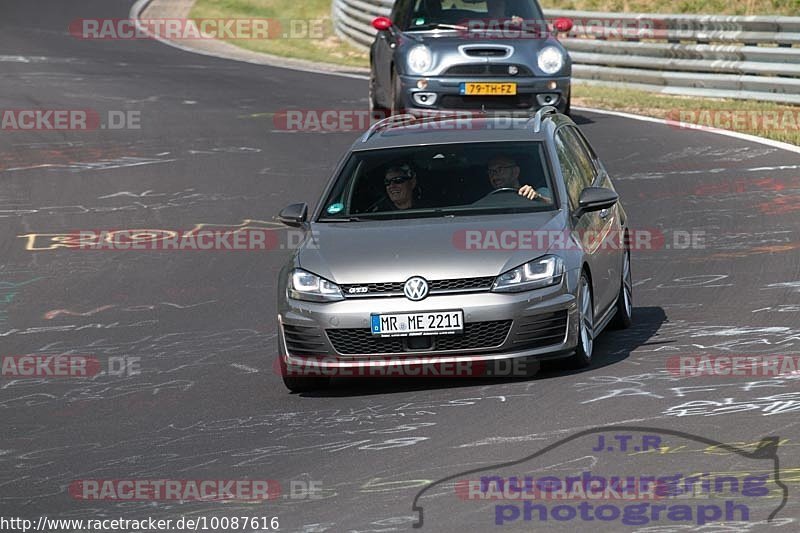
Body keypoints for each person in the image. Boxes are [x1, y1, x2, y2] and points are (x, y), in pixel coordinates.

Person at [487, 155, 553, 203]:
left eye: (500, 169)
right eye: (490, 171)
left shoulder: (540, 192)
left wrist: (538, 198)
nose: (494, 175)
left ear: (516, 171)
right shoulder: (487, 201)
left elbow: (556, 206)